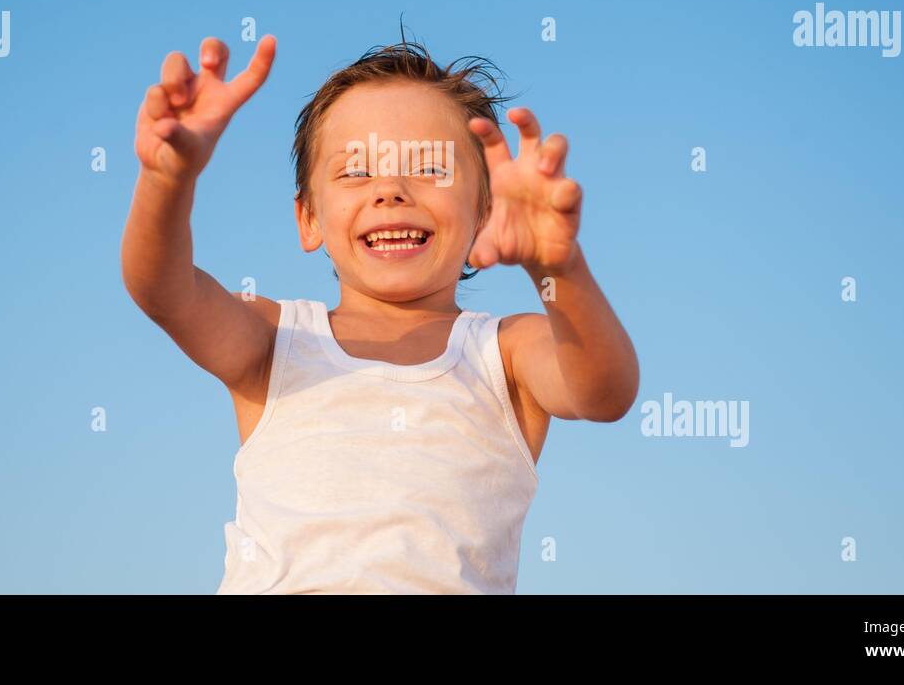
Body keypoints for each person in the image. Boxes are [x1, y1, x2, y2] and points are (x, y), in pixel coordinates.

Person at [120, 30, 639, 593]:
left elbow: (604, 392)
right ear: (309, 218)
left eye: (429, 168)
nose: (390, 188)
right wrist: (166, 181)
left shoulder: (505, 354)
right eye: (356, 171)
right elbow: (164, 290)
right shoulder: (275, 339)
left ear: (485, 212)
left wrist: (557, 268)